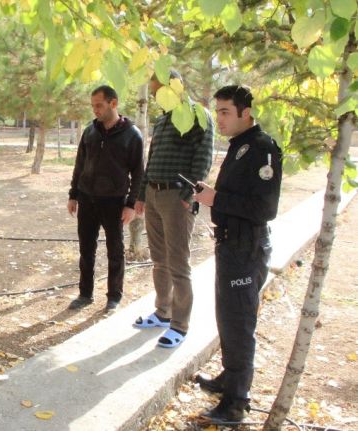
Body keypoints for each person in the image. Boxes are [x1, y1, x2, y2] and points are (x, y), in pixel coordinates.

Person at [193, 85, 282, 422]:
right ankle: (229, 379)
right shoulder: (240, 146)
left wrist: (216, 200)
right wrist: (213, 198)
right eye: (218, 111)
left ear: (246, 112)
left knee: (239, 323)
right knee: (227, 318)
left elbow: (265, 208)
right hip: (230, 245)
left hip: (246, 248)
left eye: (226, 111)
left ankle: (235, 403)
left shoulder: (262, 148)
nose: (220, 118)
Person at [132, 71, 214, 348]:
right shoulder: (163, 119)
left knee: (178, 262)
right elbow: (151, 158)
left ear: (175, 87)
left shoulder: (196, 115)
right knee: (159, 259)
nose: (156, 98)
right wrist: (142, 194)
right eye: (153, 93)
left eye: (158, 92)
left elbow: (203, 156)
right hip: (154, 193)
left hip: (177, 197)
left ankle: (180, 324)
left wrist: (189, 193)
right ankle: (162, 312)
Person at [67, 85, 144, 312]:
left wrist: (131, 204)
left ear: (113, 103)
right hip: (87, 199)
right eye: (92, 106)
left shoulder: (132, 135)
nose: (95, 110)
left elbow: (139, 173)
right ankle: (85, 293)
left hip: (114, 202)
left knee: (115, 250)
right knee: (86, 249)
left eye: (99, 105)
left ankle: (114, 296)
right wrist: (74, 195)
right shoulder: (90, 132)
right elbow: (80, 164)